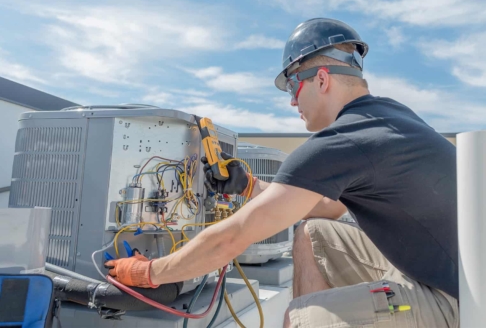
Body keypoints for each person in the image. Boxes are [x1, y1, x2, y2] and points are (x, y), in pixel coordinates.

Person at [105, 18, 458, 327]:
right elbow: (328, 210)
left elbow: (233, 237)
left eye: (292, 85)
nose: (291, 101)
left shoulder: (342, 141)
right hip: (459, 276)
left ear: (321, 79)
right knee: (312, 233)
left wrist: (150, 272)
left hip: (461, 305)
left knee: (299, 318)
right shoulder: (388, 118)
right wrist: (249, 187)